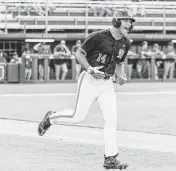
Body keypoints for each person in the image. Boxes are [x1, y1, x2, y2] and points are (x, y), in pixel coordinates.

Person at [38, 9, 135, 170]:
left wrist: (121, 76)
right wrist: (90, 69)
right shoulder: (98, 36)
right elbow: (79, 54)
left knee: (111, 119)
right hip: (89, 80)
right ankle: (51, 118)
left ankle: (110, 157)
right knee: (78, 117)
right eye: (126, 20)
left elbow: (119, 63)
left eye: (130, 21)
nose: (129, 24)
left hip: (106, 84)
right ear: (116, 21)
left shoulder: (126, 42)